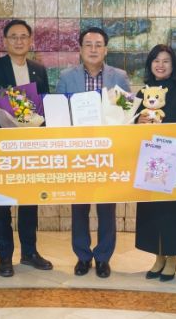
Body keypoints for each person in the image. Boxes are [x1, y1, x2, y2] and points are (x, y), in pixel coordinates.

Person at [0, 19, 53, 277]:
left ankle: (29, 252)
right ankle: (5, 257)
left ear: (30, 40)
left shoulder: (38, 69)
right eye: (14, 37)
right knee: (3, 202)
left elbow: (44, 104)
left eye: (23, 36)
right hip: (3, 145)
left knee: (30, 201)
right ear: (5, 41)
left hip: (31, 146)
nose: (19, 41)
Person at [55, 27, 130, 278]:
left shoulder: (119, 77)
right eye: (88, 45)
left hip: (108, 152)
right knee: (79, 207)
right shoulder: (67, 77)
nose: (93, 49)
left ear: (105, 49)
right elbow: (59, 113)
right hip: (78, 152)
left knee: (107, 207)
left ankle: (103, 257)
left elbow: (127, 113)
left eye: (98, 45)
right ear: (80, 49)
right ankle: (83, 256)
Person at [135, 44, 176, 282]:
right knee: (151, 211)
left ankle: (172, 258)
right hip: (148, 161)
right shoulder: (143, 93)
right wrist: (138, 122)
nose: (160, 65)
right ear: (150, 64)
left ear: (173, 65)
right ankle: (158, 256)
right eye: (156, 60)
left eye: (166, 61)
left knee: (172, 212)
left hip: (174, 160)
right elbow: (130, 123)